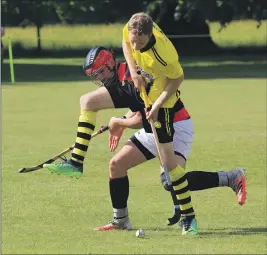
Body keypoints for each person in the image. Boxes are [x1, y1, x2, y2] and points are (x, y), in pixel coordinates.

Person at [44, 46, 246, 236]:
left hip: (176, 127)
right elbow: (135, 110)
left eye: (101, 73)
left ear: (110, 65)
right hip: (152, 130)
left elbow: (144, 117)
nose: (100, 80)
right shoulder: (120, 79)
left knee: (170, 182)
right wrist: (122, 120)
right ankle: (120, 220)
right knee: (117, 165)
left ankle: (230, 178)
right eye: (94, 77)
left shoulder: (133, 80)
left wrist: (119, 123)